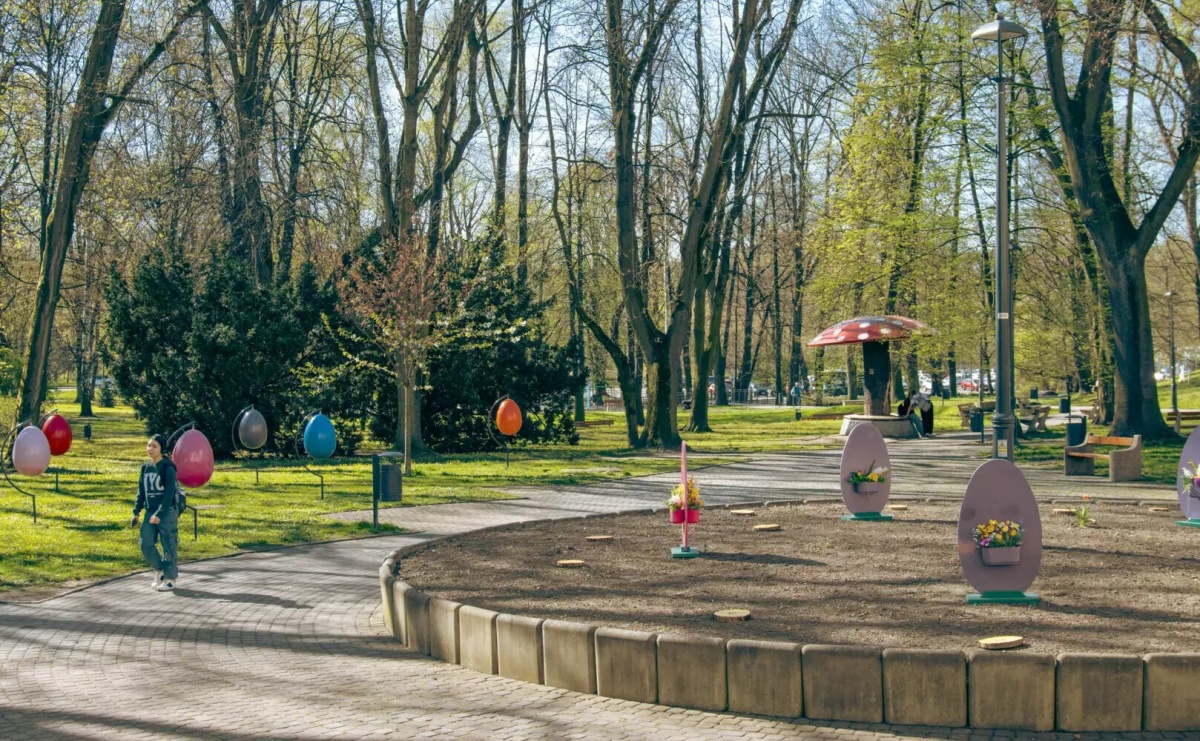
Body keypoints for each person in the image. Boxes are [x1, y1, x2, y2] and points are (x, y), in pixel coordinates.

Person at [130, 434, 180, 591]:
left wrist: (159, 513)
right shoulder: (145, 468)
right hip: (150, 511)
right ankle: (160, 569)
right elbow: (141, 492)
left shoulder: (168, 467)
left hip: (166, 511)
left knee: (169, 544)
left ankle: (170, 579)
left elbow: (169, 494)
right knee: (145, 543)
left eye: (154, 446)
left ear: (161, 449)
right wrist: (136, 512)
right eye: (148, 445)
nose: (150, 449)